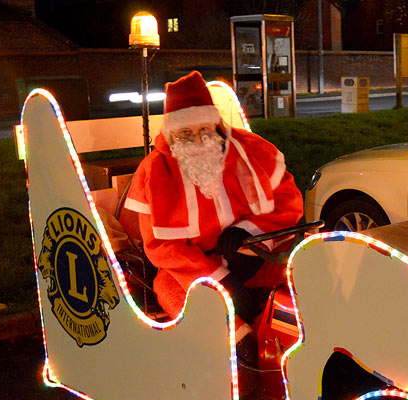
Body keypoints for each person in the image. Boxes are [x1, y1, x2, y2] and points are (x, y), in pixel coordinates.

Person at [125, 71, 303, 360]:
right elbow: (161, 248)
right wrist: (223, 281)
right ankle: (238, 350)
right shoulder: (154, 171)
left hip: (255, 253)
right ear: (172, 134)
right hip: (193, 269)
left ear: (216, 126)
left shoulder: (252, 150)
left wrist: (248, 232)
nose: (196, 140)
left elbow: (289, 201)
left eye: (203, 130)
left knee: (305, 266)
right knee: (169, 288)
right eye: (186, 133)